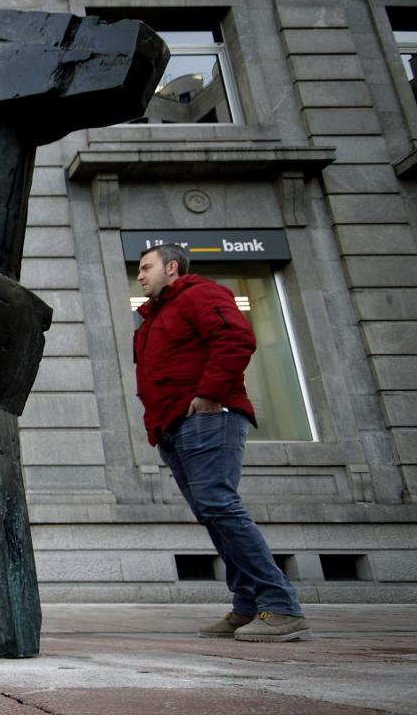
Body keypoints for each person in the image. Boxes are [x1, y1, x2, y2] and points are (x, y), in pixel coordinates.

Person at [133, 243, 308, 642]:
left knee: (219, 504)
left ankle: (281, 605)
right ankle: (248, 604)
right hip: (174, 425)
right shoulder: (156, 316)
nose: (140, 276)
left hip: (208, 417)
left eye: (146, 268)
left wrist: (209, 394)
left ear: (171, 267)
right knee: (211, 512)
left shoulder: (200, 294)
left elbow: (235, 339)